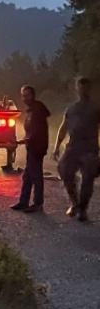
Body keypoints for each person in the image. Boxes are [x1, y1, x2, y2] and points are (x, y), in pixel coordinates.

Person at [52, 77, 100, 222]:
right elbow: (64, 126)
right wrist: (57, 146)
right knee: (65, 171)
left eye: (85, 87)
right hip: (73, 145)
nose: (82, 90)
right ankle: (74, 203)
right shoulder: (72, 109)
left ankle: (82, 209)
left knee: (88, 178)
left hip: (89, 147)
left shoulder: (96, 108)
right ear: (77, 89)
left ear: (89, 89)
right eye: (80, 87)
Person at [11, 85, 51, 213]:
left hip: (37, 148)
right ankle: (24, 202)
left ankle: (38, 204)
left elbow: (38, 131)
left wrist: (23, 141)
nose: (24, 98)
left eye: (27, 95)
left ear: (33, 95)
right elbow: (30, 131)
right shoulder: (31, 111)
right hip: (31, 146)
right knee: (27, 176)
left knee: (36, 176)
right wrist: (24, 140)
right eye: (23, 95)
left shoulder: (38, 110)